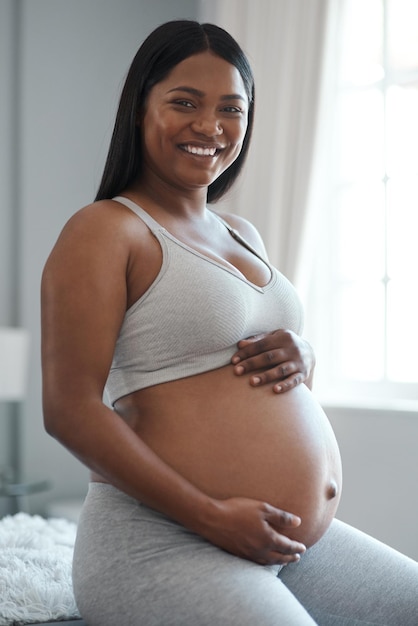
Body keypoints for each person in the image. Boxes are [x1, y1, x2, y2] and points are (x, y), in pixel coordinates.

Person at [41, 20, 418, 626]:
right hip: (162, 541)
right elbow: (69, 410)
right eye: (184, 102)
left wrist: (304, 356)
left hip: (284, 542)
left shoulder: (244, 234)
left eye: (230, 108)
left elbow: (238, 376)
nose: (209, 126)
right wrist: (211, 515)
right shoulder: (107, 229)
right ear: (141, 108)